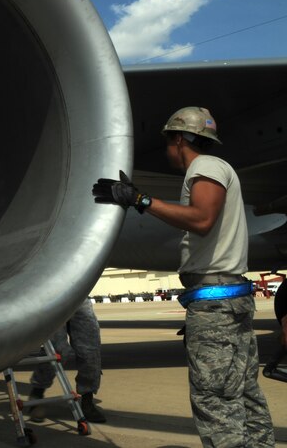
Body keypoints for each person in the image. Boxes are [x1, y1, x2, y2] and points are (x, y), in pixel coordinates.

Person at [93, 106, 275, 447]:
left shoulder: (205, 167)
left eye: (168, 142)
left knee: (215, 399)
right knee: (244, 394)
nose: (167, 151)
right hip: (225, 300)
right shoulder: (220, 169)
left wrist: (140, 199)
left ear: (178, 139)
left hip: (217, 303)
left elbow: (202, 219)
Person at [26, 298, 106, 423]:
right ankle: (37, 393)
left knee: (90, 350)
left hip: (80, 295)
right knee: (57, 350)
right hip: (51, 297)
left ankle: (87, 400)